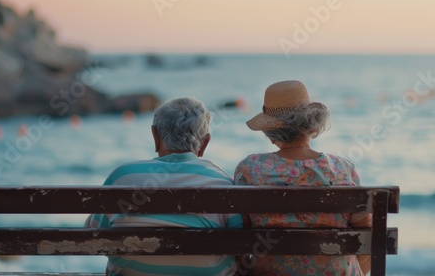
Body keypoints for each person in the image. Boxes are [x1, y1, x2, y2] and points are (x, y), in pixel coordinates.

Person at [86, 97, 243, 276]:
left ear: (155, 135)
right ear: (205, 143)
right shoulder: (221, 182)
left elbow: (96, 232)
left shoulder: (122, 176)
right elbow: (238, 243)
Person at [233, 80, 372, 275]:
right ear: (311, 126)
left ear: (271, 133)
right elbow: (364, 231)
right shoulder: (342, 169)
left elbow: (242, 232)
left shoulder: (249, 169)